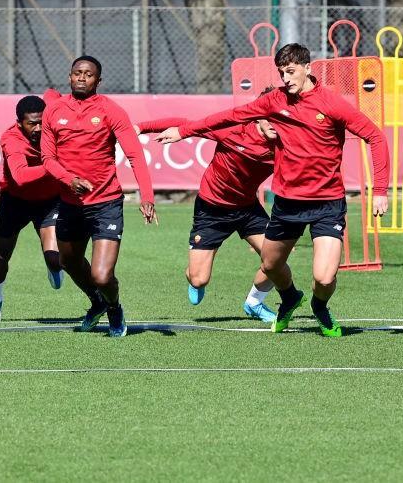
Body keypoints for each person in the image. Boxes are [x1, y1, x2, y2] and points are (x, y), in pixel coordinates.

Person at [156, 43, 389, 336]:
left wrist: (380, 189)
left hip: (327, 202)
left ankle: (320, 307)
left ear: (308, 68)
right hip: (288, 203)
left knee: (325, 276)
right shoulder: (274, 101)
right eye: (282, 73)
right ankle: (290, 297)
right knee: (270, 264)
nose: (287, 78)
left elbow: (376, 137)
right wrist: (184, 131)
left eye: (291, 71)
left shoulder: (332, 103)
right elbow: (231, 115)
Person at [41, 56, 157, 338]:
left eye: (89, 74)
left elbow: (134, 154)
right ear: (69, 77)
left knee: (102, 276)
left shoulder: (110, 110)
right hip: (70, 204)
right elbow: (47, 158)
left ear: (98, 80)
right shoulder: (54, 110)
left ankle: (114, 306)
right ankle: (97, 302)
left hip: (106, 204)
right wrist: (69, 180)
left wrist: (147, 195)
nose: (82, 78)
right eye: (77, 73)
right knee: (67, 261)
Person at [135, 114, 278, 324]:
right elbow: (186, 122)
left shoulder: (286, 143)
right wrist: (141, 126)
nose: (276, 125)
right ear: (258, 119)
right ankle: (196, 274)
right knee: (199, 279)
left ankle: (254, 303)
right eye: (271, 119)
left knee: (277, 260)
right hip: (212, 210)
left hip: (248, 209)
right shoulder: (233, 130)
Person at [0, 94, 64, 323]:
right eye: (32, 123)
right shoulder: (11, 139)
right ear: (20, 123)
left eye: (41, 122)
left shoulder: (53, 128)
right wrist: (52, 166)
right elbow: (20, 176)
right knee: (1, 257)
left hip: (49, 201)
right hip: (14, 201)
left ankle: (53, 268)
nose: (38, 128)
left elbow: (54, 95)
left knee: (54, 258)